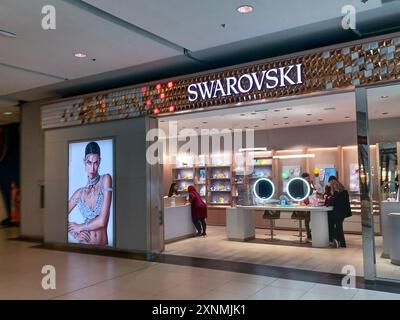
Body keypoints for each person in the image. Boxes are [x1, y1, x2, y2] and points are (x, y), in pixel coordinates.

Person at [68, 141, 113, 245]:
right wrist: (75, 233)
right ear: (84, 162)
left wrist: (80, 227)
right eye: (89, 162)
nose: (92, 168)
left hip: (102, 246)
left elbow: (102, 221)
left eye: (95, 163)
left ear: (100, 162)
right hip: (85, 245)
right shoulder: (79, 193)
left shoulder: (106, 180)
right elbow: (59, 215)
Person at [326, 179, 352, 248]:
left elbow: (332, 202)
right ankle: (341, 243)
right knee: (339, 227)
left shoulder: (336, 193)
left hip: (338, 213)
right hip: (343, 213)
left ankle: (337, 241)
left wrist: (329, 199)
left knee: (336, 227)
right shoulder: (344, 191)